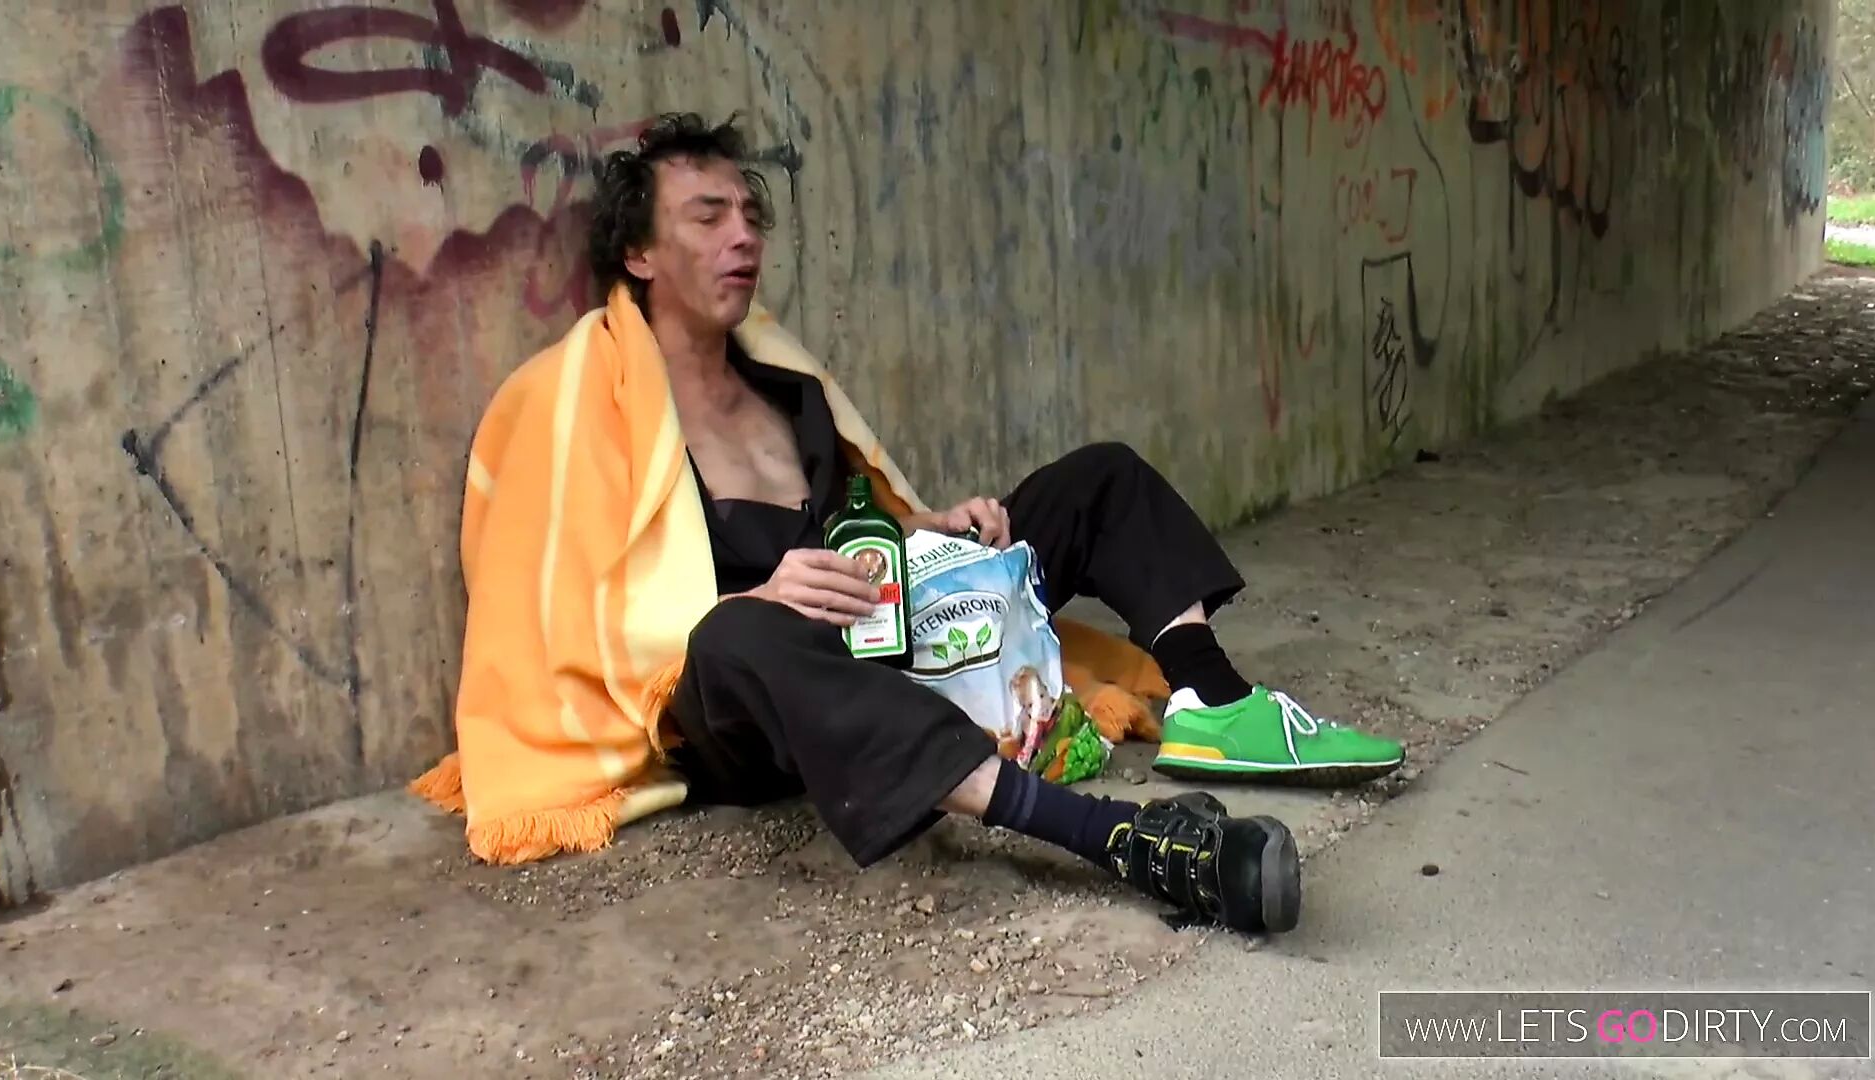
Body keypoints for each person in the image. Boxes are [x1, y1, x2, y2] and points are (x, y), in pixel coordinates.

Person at [577, 113, 1404, 935]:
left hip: (873, 643)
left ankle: (1215, 706)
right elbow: (577, 621)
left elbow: (855, 533)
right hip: (753, 706)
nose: (744, 237)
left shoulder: (789, 392)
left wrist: (930, 531)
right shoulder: (594, 413)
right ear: (639, 254)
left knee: (1098, 479)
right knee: (736, 635)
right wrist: (759, 596)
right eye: (709, 217)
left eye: (750, 215)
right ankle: (1119, 838)